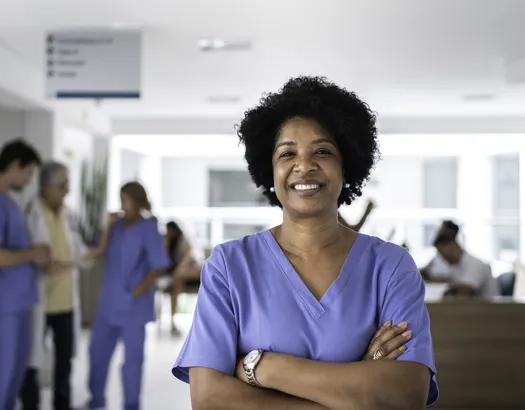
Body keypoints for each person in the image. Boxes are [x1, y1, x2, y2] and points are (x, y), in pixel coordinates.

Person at [171, 76, 438, 409]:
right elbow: (209, 398)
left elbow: (405, 393)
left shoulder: (390, 266)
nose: (304, 165)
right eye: (287, 154)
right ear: (269, 170)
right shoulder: (229, 266)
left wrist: (263, 367)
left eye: (322, 151)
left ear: (346, 166)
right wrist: (356, 389)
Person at [82, 181, 171, 410]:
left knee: (132, 362)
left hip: (133, 306)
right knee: (97, 354)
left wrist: (137, 291)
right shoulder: (115, 226)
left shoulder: (149, 227)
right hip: (109, 303)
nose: (122, 205)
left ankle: (131, 405)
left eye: (126, 200)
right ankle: (96, 401)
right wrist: (106, 226)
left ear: (138, 201)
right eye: (121, 199)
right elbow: (98, 252)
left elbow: (158, 265)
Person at [0, 139, 50, 410]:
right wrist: (32, 254)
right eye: (28, 173)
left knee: (14, 374)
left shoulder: (8, 202)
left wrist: (37, 255)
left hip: (19, 301)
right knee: (0, 374)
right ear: (14, 165)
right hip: (3, 304)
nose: (28, 180)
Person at [19, 161, 93, 410]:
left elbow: (78, 249)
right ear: (47, 187)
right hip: (40, 300)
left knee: (65, 362)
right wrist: (47, 264)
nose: (67, 192)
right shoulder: (31, 212)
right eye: (63, 186)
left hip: (65, 301)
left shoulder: (68, 213)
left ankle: (62, 405)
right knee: (32, 361)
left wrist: (88, 255)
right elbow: (27, 255)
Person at [422, 220, 499, 299]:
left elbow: (464, 291)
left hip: (488, 309)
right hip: (468, 309)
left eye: (443, 255)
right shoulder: (456, 267)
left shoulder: (475, 265)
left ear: (452, 248)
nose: (443, 260)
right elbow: (447, 280)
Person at [164, 221, 204, 335]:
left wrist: (177, 272)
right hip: (178, 278)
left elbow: (189, 258)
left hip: (192, 272)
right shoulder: (168, 243)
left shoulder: (184, 242)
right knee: (175, 287)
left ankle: (173, 323)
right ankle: (172, 323)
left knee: (177, 281)